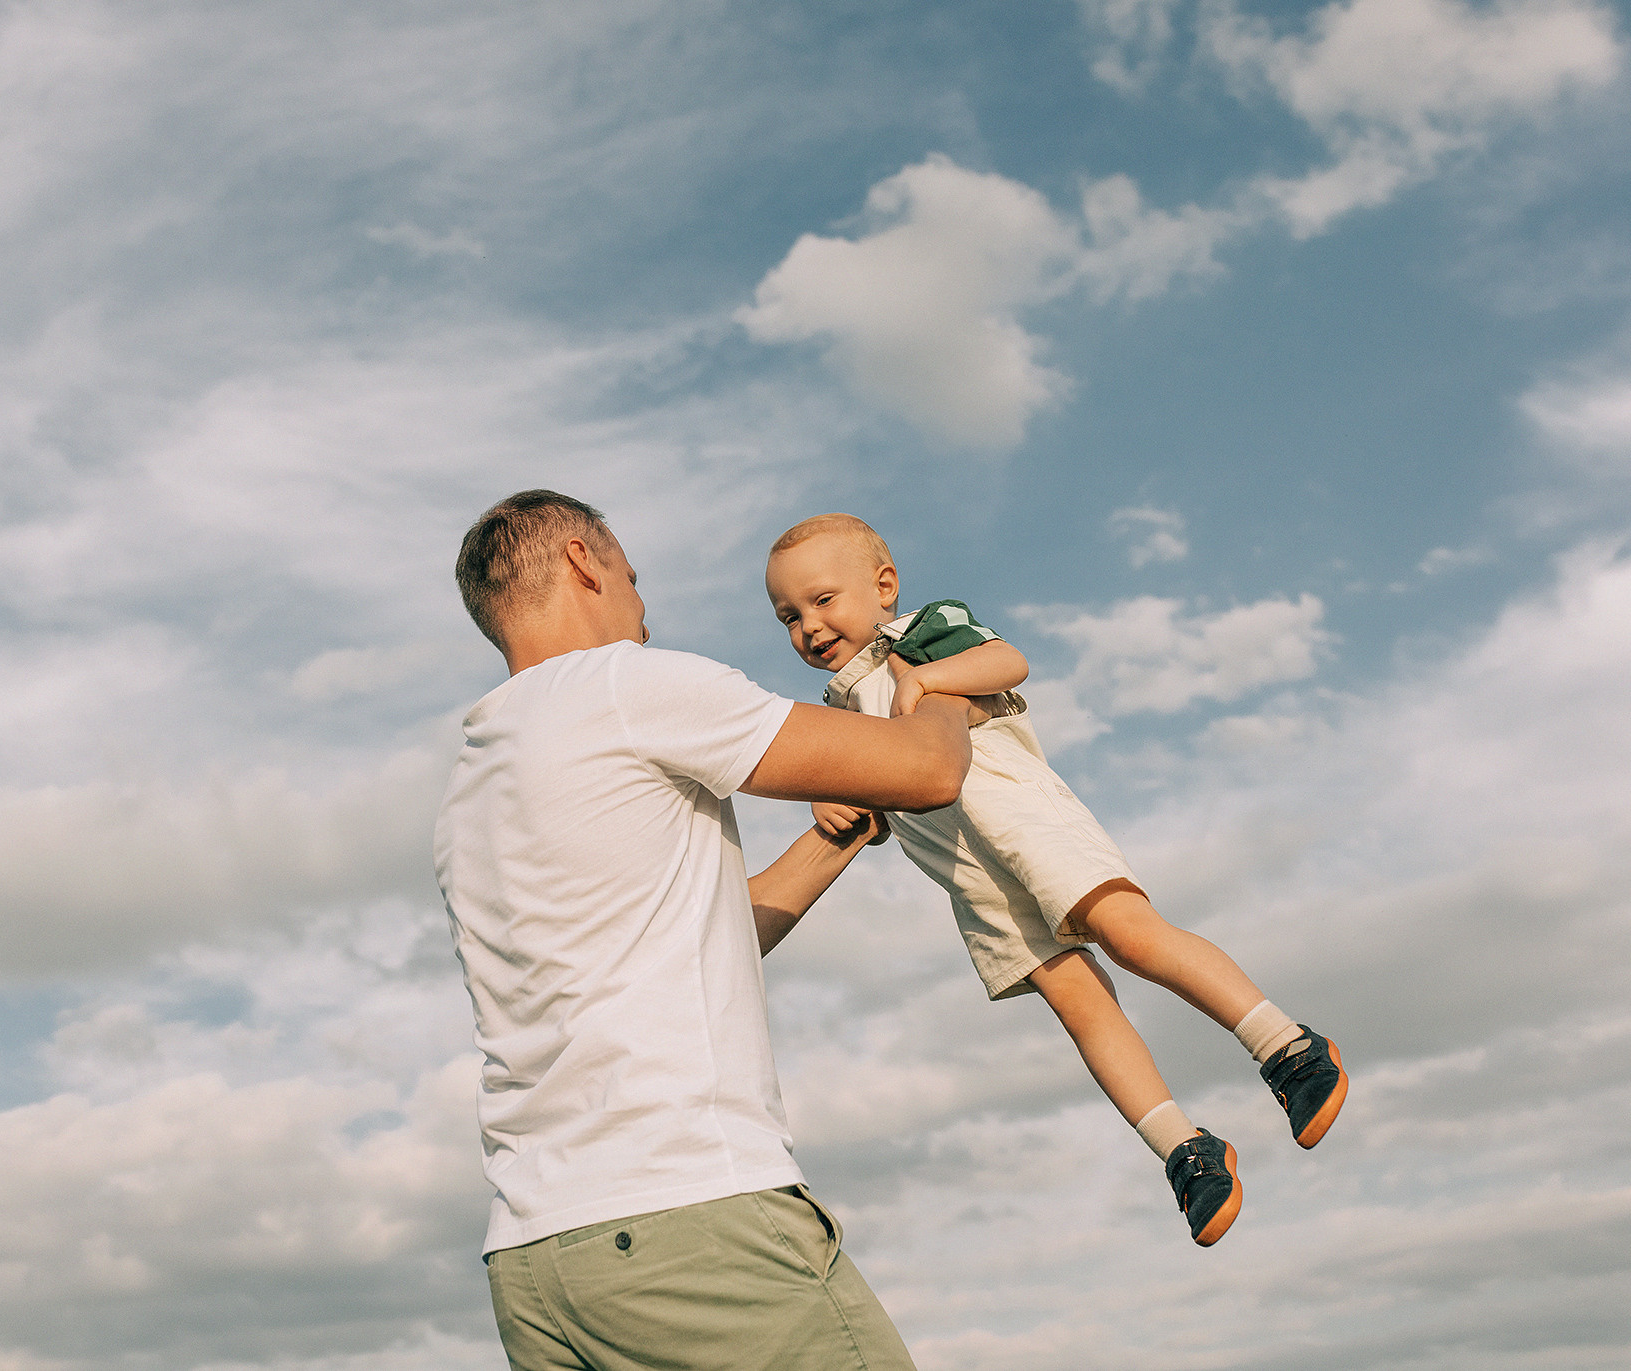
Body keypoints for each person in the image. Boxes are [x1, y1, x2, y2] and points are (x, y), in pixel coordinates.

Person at [435, 490, 975, 1371]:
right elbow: (931, 765)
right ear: (582, 562)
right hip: (689, 1215)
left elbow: (695, 940)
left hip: (538, 1265)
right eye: (632, 576)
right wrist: (940, 666)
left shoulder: (474, 779)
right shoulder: (626, 684)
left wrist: (835, 837)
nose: (643, 606)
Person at [763, 513, 1348, 1247]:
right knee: (1076, 1001)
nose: (808, 626)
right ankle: (1183, 1148)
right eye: (789, 616)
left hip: (1023, 818)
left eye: (822, 600)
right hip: (968, 878)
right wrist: (829, 797)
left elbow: (1008, 661)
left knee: (1130, 935)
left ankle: (1287, 1046)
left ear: (883, 587)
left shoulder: (918, 633)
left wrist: (932, 679)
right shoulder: (837, 712)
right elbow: (860, 800)